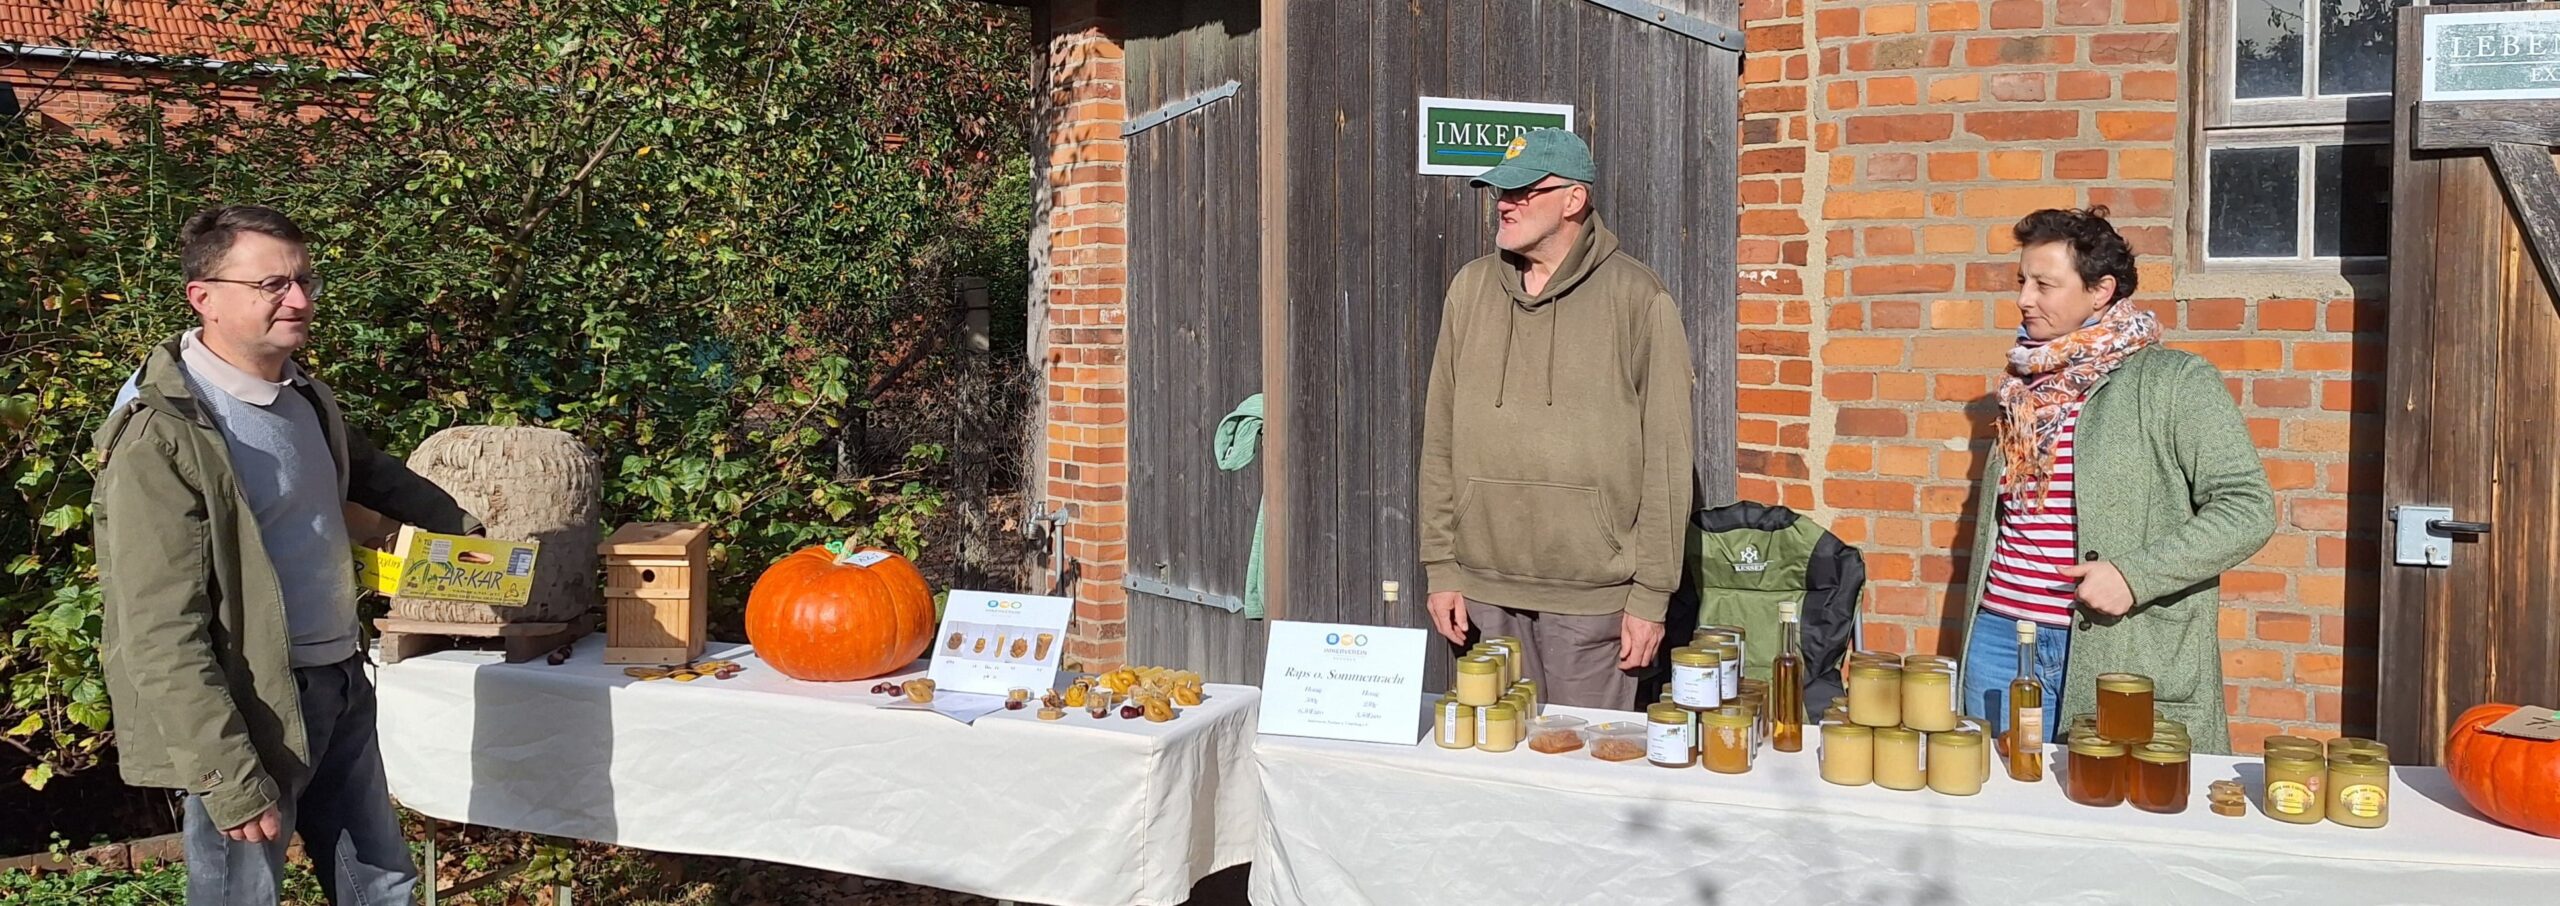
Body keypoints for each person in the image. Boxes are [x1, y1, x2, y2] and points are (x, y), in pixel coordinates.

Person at [94, 205, 479, 904]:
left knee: (382, 884)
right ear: (203, 297)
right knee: (243, 897)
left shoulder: (302, 394)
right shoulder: (164, 434)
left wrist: (466, 531)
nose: (298, 300)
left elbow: (366, 468)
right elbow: (156, 631)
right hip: (252, 707)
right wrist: (228, 776)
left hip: (340, 679)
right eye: (271, 285)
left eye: (304, 281)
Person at [1956, 207, 2274, 755]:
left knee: (2114, 812)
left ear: (2100, 290)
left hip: (2117, 646)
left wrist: (2134, 575)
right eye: (2022, 282)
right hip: (2002, 638)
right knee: (1997, 805)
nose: (2023, 299)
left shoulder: (2175, 383)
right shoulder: (2023, 388)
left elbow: (2248, 507)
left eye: (2044, 284)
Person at [1417, 128, 1695, 709]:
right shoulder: (1469, 291)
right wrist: (1441, 565)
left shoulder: (1637, 299)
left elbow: (1668, 460)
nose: (1504, 202)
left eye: (1523, 190)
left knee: (1581, 782)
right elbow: (1439, 437)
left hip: (1593, 603)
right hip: (1483, 594)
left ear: (1574, 199)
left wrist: (1650, 596)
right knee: (1493, 776)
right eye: (1499, 191)